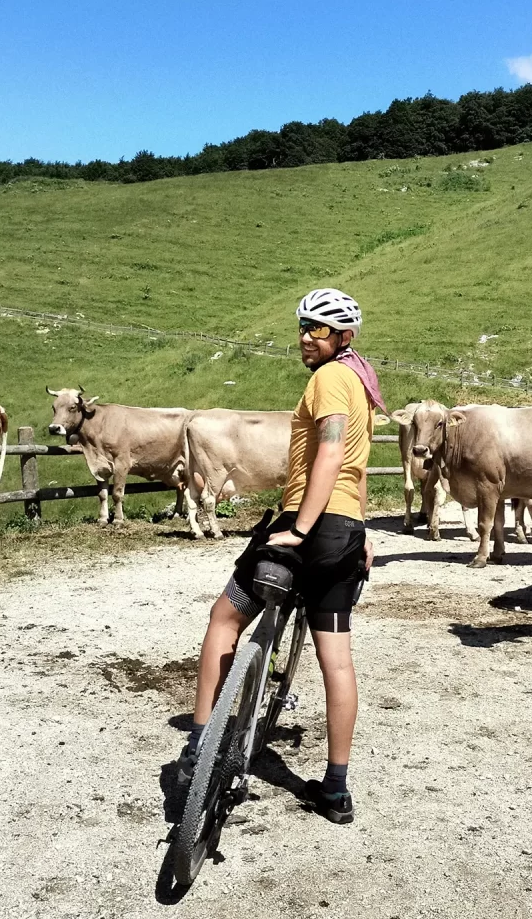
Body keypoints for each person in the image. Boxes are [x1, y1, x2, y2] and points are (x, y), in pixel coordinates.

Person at [179, 288, 384, 824]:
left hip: (310, 524)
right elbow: (357, 469)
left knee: (224, 618)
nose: (305, 337)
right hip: (345, 532)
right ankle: (336, 791)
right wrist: (360, 533)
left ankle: (199, 746)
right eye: (302, 326)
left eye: (317, 330)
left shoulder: (329, 379)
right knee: (336, 659)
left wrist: (299, 528)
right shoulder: (359, 383)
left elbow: (334, 453)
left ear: (343, 337)